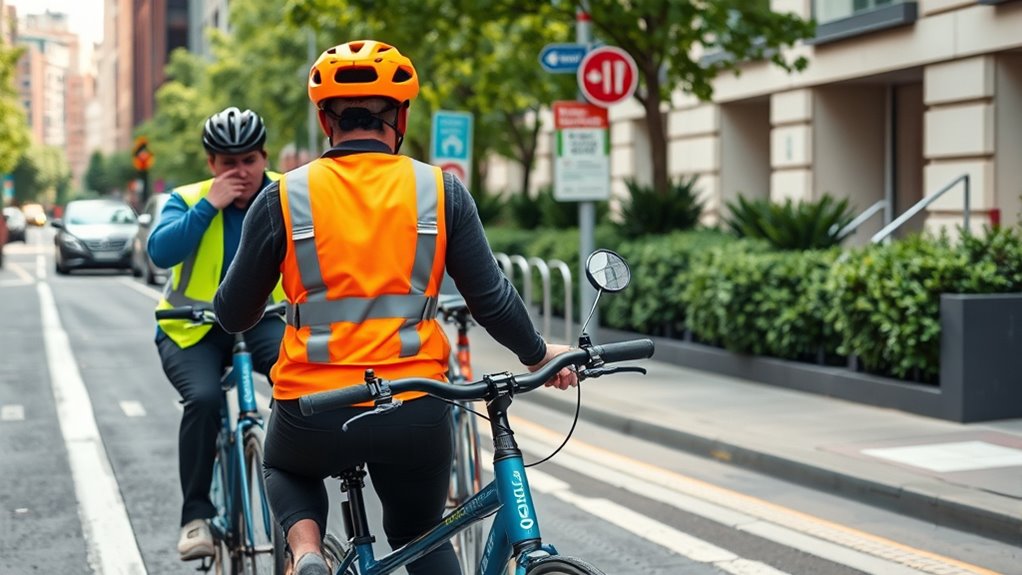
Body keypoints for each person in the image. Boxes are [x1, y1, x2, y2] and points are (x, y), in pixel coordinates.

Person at [213, 40, 577, 575]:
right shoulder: (439, 191)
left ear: (324, 119)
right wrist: (539, 354)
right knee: (418, 532)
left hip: (314, 408)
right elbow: (491, 298)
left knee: (284, 468)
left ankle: (308, 552)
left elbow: (235, 315)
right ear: (400, 116)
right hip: (416, 404)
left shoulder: (285, 196)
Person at [149, 106, 287, 561]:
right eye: (228, 163)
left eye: (248, 160)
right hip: (191, 330)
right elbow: (160, 252)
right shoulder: (188, 199)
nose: (240, 172)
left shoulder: (289, 195)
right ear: (211, 164)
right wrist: (212, 204)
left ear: (265, 157)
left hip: (262, 320)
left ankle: (301, 506)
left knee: (298, 381)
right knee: (205, 399)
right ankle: (196, 516)